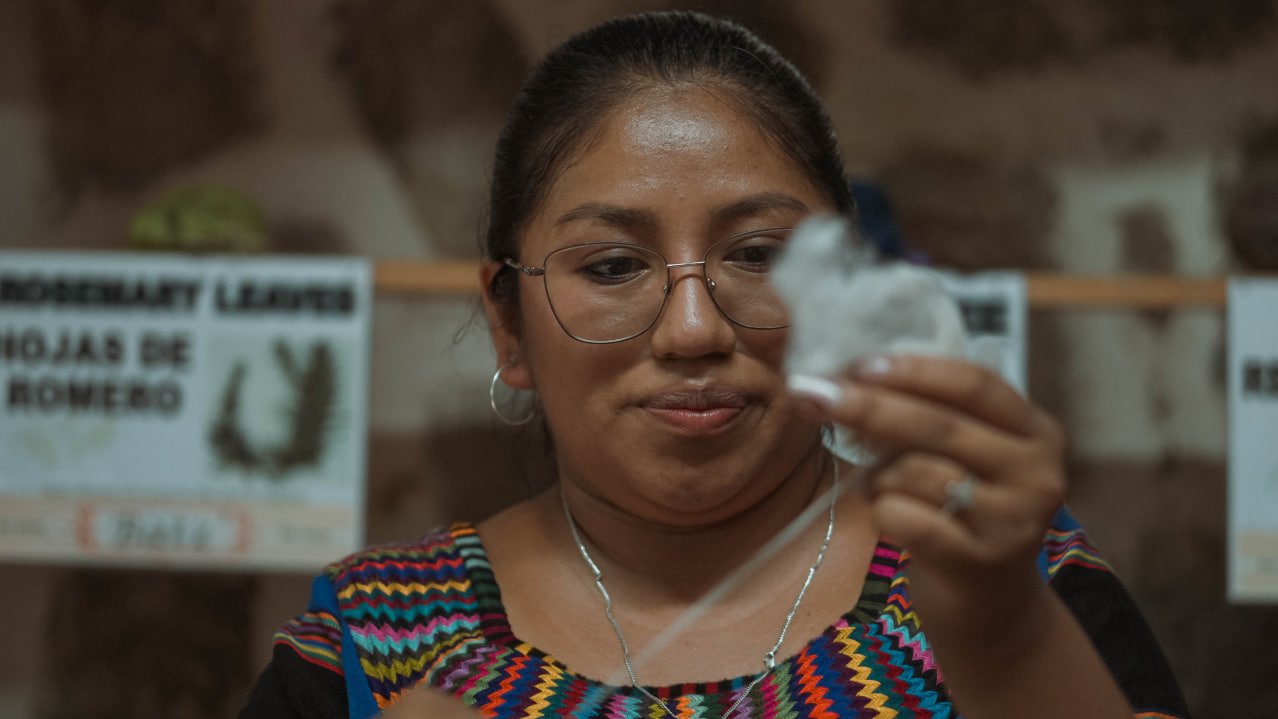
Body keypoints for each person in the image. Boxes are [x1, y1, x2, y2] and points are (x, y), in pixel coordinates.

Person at [240, 11, 1189, 719]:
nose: (692, 328)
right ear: (509, 324)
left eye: (759, 254)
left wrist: (1005, 642)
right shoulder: (377, 645)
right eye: (613, 266)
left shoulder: (1000, 581)